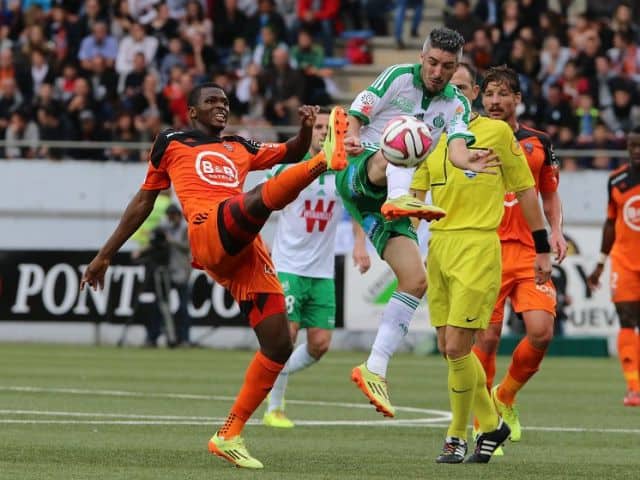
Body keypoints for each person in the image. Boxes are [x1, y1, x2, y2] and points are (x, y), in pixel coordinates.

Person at [80, 82, 349, 469]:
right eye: (212, 102)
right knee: (254, 198)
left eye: (225, 102)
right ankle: (326, 160)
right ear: (192, 111)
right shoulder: (170, 141)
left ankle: (229, 434)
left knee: (278, 344)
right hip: (209, 230)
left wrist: (306, 130)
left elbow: (289, 152)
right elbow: (144, 200)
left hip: (245, 249)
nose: (221, 107)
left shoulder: (240, 147)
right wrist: (105, 254)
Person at [341, 27, 499, 418]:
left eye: (448, 66)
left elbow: (458, 150)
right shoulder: (397, 77)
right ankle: (399, 198)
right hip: (363, 170)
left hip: (384, 200)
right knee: (407, 136)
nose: (438, 72)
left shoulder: (456, 105)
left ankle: (374, 367)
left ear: (457, 66)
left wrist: (469, 161)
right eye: (432, 62)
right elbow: (357, 113)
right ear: (422, 57)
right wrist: (352, 136)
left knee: (416, 280)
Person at [411, 62, 553, 463]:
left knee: (459, 345)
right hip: (439, 247)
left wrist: (542, 245)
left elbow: (526, 191)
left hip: (478, 245)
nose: (453, 93)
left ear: (472, 92)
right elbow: (417, 195)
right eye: (447, 88)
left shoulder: (496, 132)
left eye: (461, 86)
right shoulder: (430, 136)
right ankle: (493, 425)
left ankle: (457, 436)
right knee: (447, 347)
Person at [471, 65, 568, 445]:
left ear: (517, 99)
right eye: (489, 93)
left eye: (502, 94)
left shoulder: (538, 141)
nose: (494, 101)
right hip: (486, 248)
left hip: (530, 250)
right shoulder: (469, 137)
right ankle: (484, 426)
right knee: (487, 338)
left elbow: (549, 192)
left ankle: (505, 395)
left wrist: (556, 230)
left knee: (541, 331)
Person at [262, 107, 371, 428]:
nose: (324, 131)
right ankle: (274, 407)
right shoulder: (289, 169)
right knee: (286, 339)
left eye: (329, 127)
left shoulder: (342, 171)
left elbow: (356, 210)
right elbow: (259, 200)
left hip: (322, 271)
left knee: (320, 345)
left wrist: (360, 246)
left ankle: (270, 373)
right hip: (288, 268)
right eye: (319, 126)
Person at [588, 126, 640, 407]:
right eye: (632, 146)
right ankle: (634, 388)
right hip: (625, 261)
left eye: (639, 146)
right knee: (627, 319)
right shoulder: (616, 180)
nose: (636, 151)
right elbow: (610, 222)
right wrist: (599, 263)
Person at [160, 202, 193, 346]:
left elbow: (188, 247)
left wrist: (171, 241)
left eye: (172, 216)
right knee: (165, 307)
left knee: (183, 308)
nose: (170, 219)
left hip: (182, 271)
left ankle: (184, 338)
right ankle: (170, 337)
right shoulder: (167, 229)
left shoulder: (185, 229)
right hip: (169, 271)